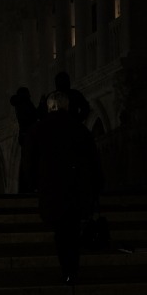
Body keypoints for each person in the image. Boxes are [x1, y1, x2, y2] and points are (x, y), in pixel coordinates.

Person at [29, 90, 103, 284]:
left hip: (52, 189)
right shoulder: (79, 129)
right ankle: (72, 269)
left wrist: (34, 183)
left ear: (50, 107)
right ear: (66, 106)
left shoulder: (39, 129)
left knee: (61, 232)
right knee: (72, 229)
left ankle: (67, 270)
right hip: (76, 190)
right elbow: (93, 161)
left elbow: (30, 160)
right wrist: (95, 188)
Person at [10, 86, 39, 193]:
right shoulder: (25, 104)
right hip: (29, 136)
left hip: (25, 136)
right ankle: (30, 187)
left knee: (26, 162)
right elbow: (34, 116)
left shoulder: (19, 105)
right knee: (30, 162)